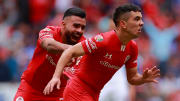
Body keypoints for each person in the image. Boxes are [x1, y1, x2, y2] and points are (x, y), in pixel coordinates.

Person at [43, 4, 160, 101]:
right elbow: (69, 52)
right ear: (123, 24)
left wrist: (143, 79)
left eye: (141, 19)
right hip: (78, 89)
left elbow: (132, 79)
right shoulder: (103, 40)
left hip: (95, 93)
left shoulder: (133, 48)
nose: (142, 23)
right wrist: (56, 77)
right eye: (137, 19)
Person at [14, 7, 86, 101]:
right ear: (63, 24)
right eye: (76, 26)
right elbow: (48, 45)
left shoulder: (84, 45)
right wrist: (70, 50)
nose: (79, 30)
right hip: (30, 89)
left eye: (83, 27)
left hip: (57, 95)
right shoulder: (49, 31)